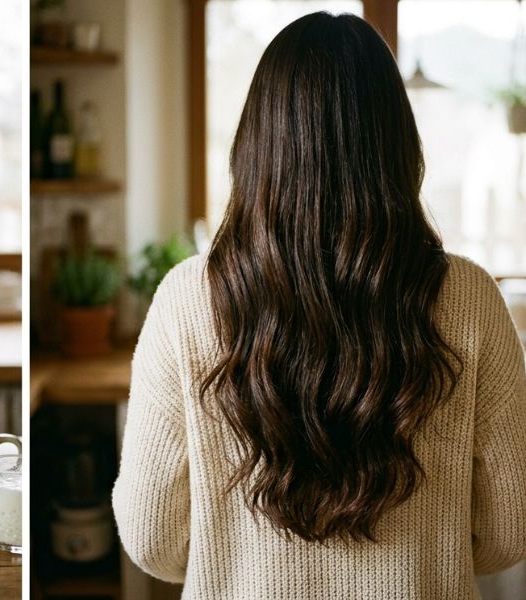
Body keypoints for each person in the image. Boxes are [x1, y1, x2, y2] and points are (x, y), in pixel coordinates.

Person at [112, 12, 526, 599]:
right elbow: (508, 530)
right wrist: (434, 553)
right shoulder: (472, 298)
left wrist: (232, 559)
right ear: (398, 145)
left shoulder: (185, 300)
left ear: (256, 145)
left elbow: (151, 538)